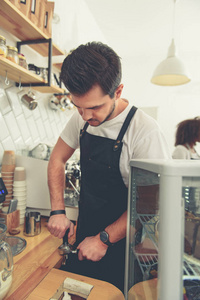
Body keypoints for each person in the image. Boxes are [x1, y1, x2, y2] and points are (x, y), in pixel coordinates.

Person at [47, 41, 171, 292]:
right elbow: (56, 159)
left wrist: (104, 239)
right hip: (85, 232)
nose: (85, 116)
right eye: (77, 106)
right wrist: (57, 210)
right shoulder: (80, 119)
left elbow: (149, 204)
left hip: (122, 245)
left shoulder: (144, 131)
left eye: (93, 107)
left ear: (118, 91)